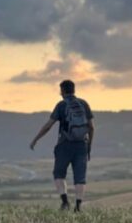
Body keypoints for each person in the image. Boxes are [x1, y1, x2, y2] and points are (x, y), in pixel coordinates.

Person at [30, 80, 95, 211]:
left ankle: (65, 202)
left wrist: (36, 139)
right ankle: (78, 206)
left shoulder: (61, 105)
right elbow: (91, 127)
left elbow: (49, 125)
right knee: (80, 177)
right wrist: (89, 146)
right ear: (74, 90)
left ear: (63, 91)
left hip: (64, 144)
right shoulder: (84, 104)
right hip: (82, 145)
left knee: (59, 174)